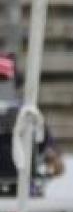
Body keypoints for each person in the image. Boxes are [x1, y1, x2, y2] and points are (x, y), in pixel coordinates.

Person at [0, 54, 64, 197]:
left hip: (22, 194)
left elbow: (56, 163)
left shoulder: (28, 115)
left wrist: (50, 160)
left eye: (4, 81)